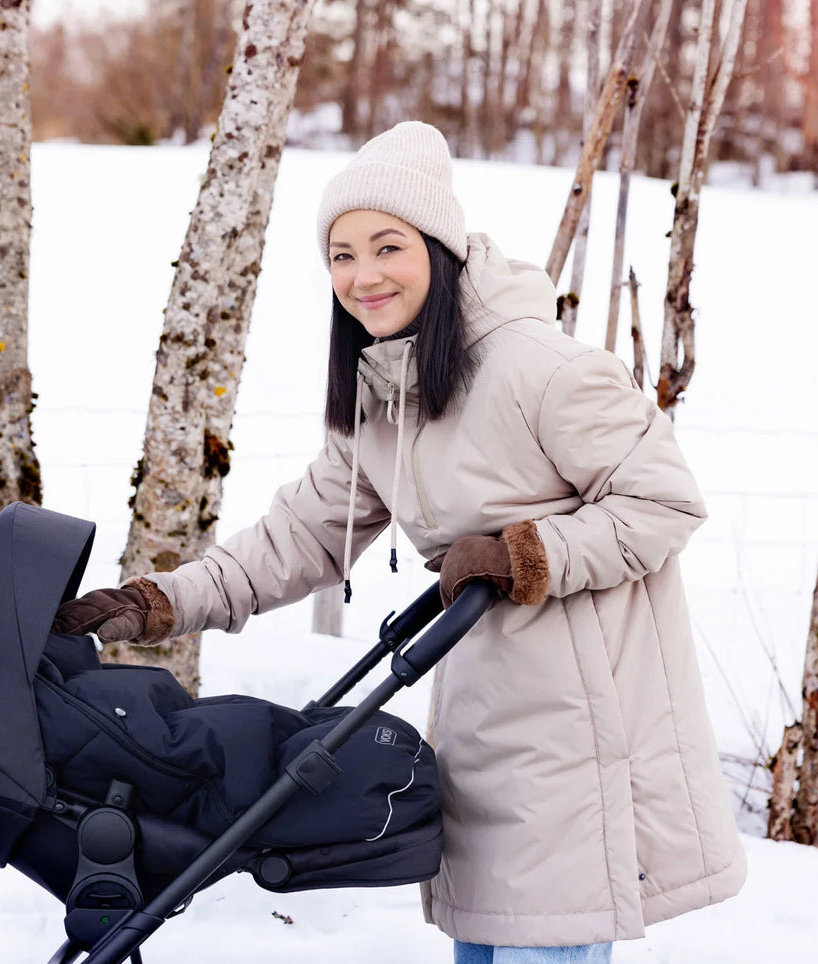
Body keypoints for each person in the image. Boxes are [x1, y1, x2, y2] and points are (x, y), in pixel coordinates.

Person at [57, 121, 745, 963]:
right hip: (479, 710)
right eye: (341, 255)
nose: (362, 275)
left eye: (387, 246)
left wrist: (524, 555)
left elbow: (664, 503)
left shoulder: (542, 369)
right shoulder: (387, 394)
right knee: (485, 941)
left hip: (581, 725)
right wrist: (152, 603)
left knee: (542, 940)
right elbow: (295, 536)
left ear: (441, 250)